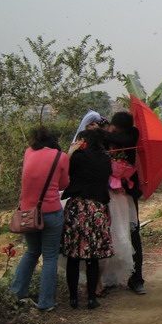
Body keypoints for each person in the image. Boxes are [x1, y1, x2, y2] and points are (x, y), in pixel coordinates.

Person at [9, 127, 71, 312]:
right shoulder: (61, 157)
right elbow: (63, 185)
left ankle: (16, 293)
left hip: (28, 213)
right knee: (50, 256)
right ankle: (46, 302)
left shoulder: (28, 152)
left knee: (31, 252)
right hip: (51, 212)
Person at [61, 129, 113, 310]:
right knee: (93, 256)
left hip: (77, 208)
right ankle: (91, 298)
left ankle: (74, 299)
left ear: (82, 141)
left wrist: (71, 152)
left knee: (73, 256)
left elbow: (63, 172)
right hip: (97, 209)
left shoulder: (78, 157)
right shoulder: (106, 159)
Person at [109, 111, 146, 295]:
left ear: (115, 126)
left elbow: (124, 140)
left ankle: (136, 278)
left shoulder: (131, 136)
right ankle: (111, 276)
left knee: (132, 233)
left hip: (126, 193)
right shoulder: (115, 138)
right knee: (120, 234)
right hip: (113, 193)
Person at [97, 128, 138, 294]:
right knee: (110, 236)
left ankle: (109, 278)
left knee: (117, 236)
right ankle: (101, 280)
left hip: (117, 201)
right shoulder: (101, 158)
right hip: (109, 200)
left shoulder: (114, 155)